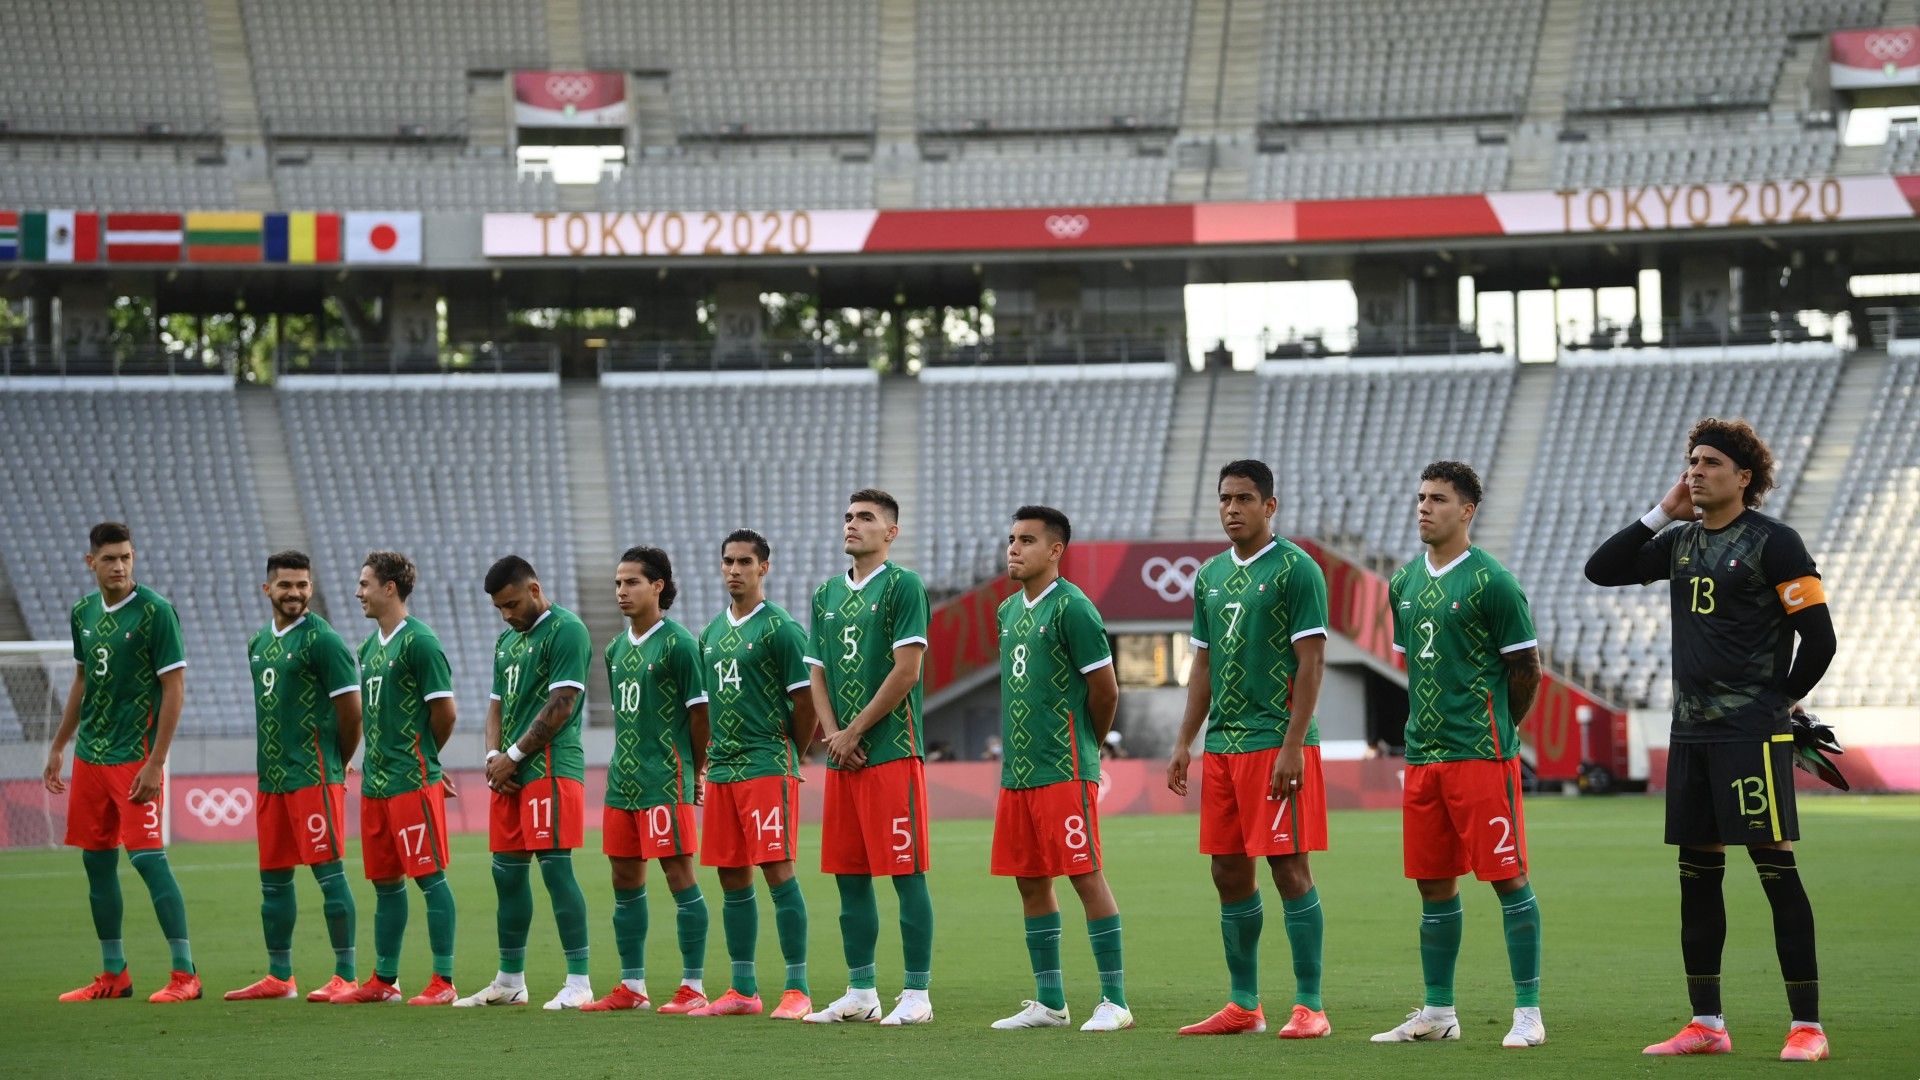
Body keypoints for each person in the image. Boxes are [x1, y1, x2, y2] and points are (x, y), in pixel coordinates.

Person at [1585, 418, 1836, 1063]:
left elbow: (1821, 637)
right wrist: (1661, 513)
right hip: (1690, 734)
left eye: (1710, 463)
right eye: (1691, 461)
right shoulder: (1682, 543)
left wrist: (1777, 703)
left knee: (1774, 868)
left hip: (1750, 736)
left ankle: (1807, 1026)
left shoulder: (1774, 544)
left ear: (1744, 477)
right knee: (1697, 879)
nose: (1695, 471)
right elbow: (1600, 570)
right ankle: (1706, 1024)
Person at [1370, 462, 1545, 1048]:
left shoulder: (1493, 582)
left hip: (1480, 755)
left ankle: (1527, 1013)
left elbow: (1527, 670)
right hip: (1422, 757)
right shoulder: (1402, 583)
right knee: (1433, 883)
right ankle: (1438, 1013)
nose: (1424, 507)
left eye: (1438, 499)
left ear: (1467, 511)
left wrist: (1498, 728)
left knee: (1507, 877)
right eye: (1420, 497)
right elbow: (1411, 667)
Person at [1169, 460, 1332, 1038]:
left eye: (1243, 498)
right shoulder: (1209, 575)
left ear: (1270, 506)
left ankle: (1310, 1006)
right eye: (1224, 499)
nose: (1231, 508)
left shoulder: (1297, 570)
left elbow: (1312, 663)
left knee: (1290, 870)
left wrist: (1293, 744)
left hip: (1276, 744)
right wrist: (1185, 740)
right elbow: (1203, 666)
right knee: (1228, 872)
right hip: (1224, 747)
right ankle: (1244, 1004)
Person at [987, 506, 1132, 1033]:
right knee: (1030, 882)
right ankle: (1050, 1001)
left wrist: (1084, 744)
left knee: (1085, 876)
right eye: (1010, 539)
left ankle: (1114, 1001)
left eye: (1026, 540)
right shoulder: (1007, 613)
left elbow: (1106, 690)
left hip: (1065, 768)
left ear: (1055, 550)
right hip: (1018, 774)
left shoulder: (1074, 608)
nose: (1013, 549)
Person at [45, 522, 199, 1003]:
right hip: (91, 757)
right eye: (109, 558)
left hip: (136, 758)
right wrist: (59, 744)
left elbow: (174, 689)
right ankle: (115, 973)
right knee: (97, 865)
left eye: (126, 557)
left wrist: (157, 762)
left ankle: (185, 974)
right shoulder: (83, 613)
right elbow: (81, 681)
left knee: (150, 861)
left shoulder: (155, 613)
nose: (119, 566)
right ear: (91, 562)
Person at [802, 489, 936, 1026]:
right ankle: (861, 990)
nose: (851, 525)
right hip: (844, 759)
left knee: (906, 875)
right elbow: (816, 672)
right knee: (849, 876)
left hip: (892, 754)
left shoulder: (904, 586)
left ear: (891, 532)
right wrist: (834, 735)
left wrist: (854, 732)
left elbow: (908, 670)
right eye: (848, 517)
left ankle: (917, 994)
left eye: (865, 518)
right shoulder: (825, 593)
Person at [225, 550, 364, 1004]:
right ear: (268, 589)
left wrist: (335, 762)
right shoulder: (258, 643)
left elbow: (351, 714)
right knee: (274, 880)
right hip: (272, 780)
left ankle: (345, 973)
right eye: (286, 585)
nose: (295, 593)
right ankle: (280, 976)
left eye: (303, 585)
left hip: (313, 777)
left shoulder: (323, 641)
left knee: (329, 875)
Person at [459, 556, 597, 1010]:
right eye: (500, 607)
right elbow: (495, 706)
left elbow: (562, 704)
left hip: (551, 770)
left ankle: (579, 982)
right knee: (507, 877)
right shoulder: (506, 642)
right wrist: (492, 757)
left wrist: (513, 757)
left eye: (513, 603)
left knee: (557, 871)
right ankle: (509, 980)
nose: (507, 614)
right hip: (511, 776)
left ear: (535, 589)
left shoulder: (567, 630)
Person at [690, 529, 817, 1019]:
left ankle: (797, 988)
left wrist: (790, 752)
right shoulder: (711, 633)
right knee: (731, 876)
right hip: (722, 769)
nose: (735, 569)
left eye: (745, 561)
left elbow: (804, 703)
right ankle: (743, 989)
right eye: (728, 561)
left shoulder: (781, 628)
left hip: (766, 765)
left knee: (777, 872)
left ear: (764, 568)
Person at [581, 547, 712, 1014]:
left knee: (679, 877)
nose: (622, 591)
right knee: (623, 879)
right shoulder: (615, 650)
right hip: (623, 783)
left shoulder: (679, 643)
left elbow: (700, 717)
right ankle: (632, 986)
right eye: (618, 583)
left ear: (658, 586)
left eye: (632, 582)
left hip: (664, 779)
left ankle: (693, 986)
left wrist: (694, 770)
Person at [339, 550, 459, 1005]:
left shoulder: (421, 642)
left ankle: (443, 982)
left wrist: (424, 758)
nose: (358, 592)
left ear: (390, 587)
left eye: (365, 583)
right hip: (376, 785)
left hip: (411, 781)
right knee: (385, 882)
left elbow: (444, 713)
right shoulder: (369, 647)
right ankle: (384, 980)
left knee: (429, 877)